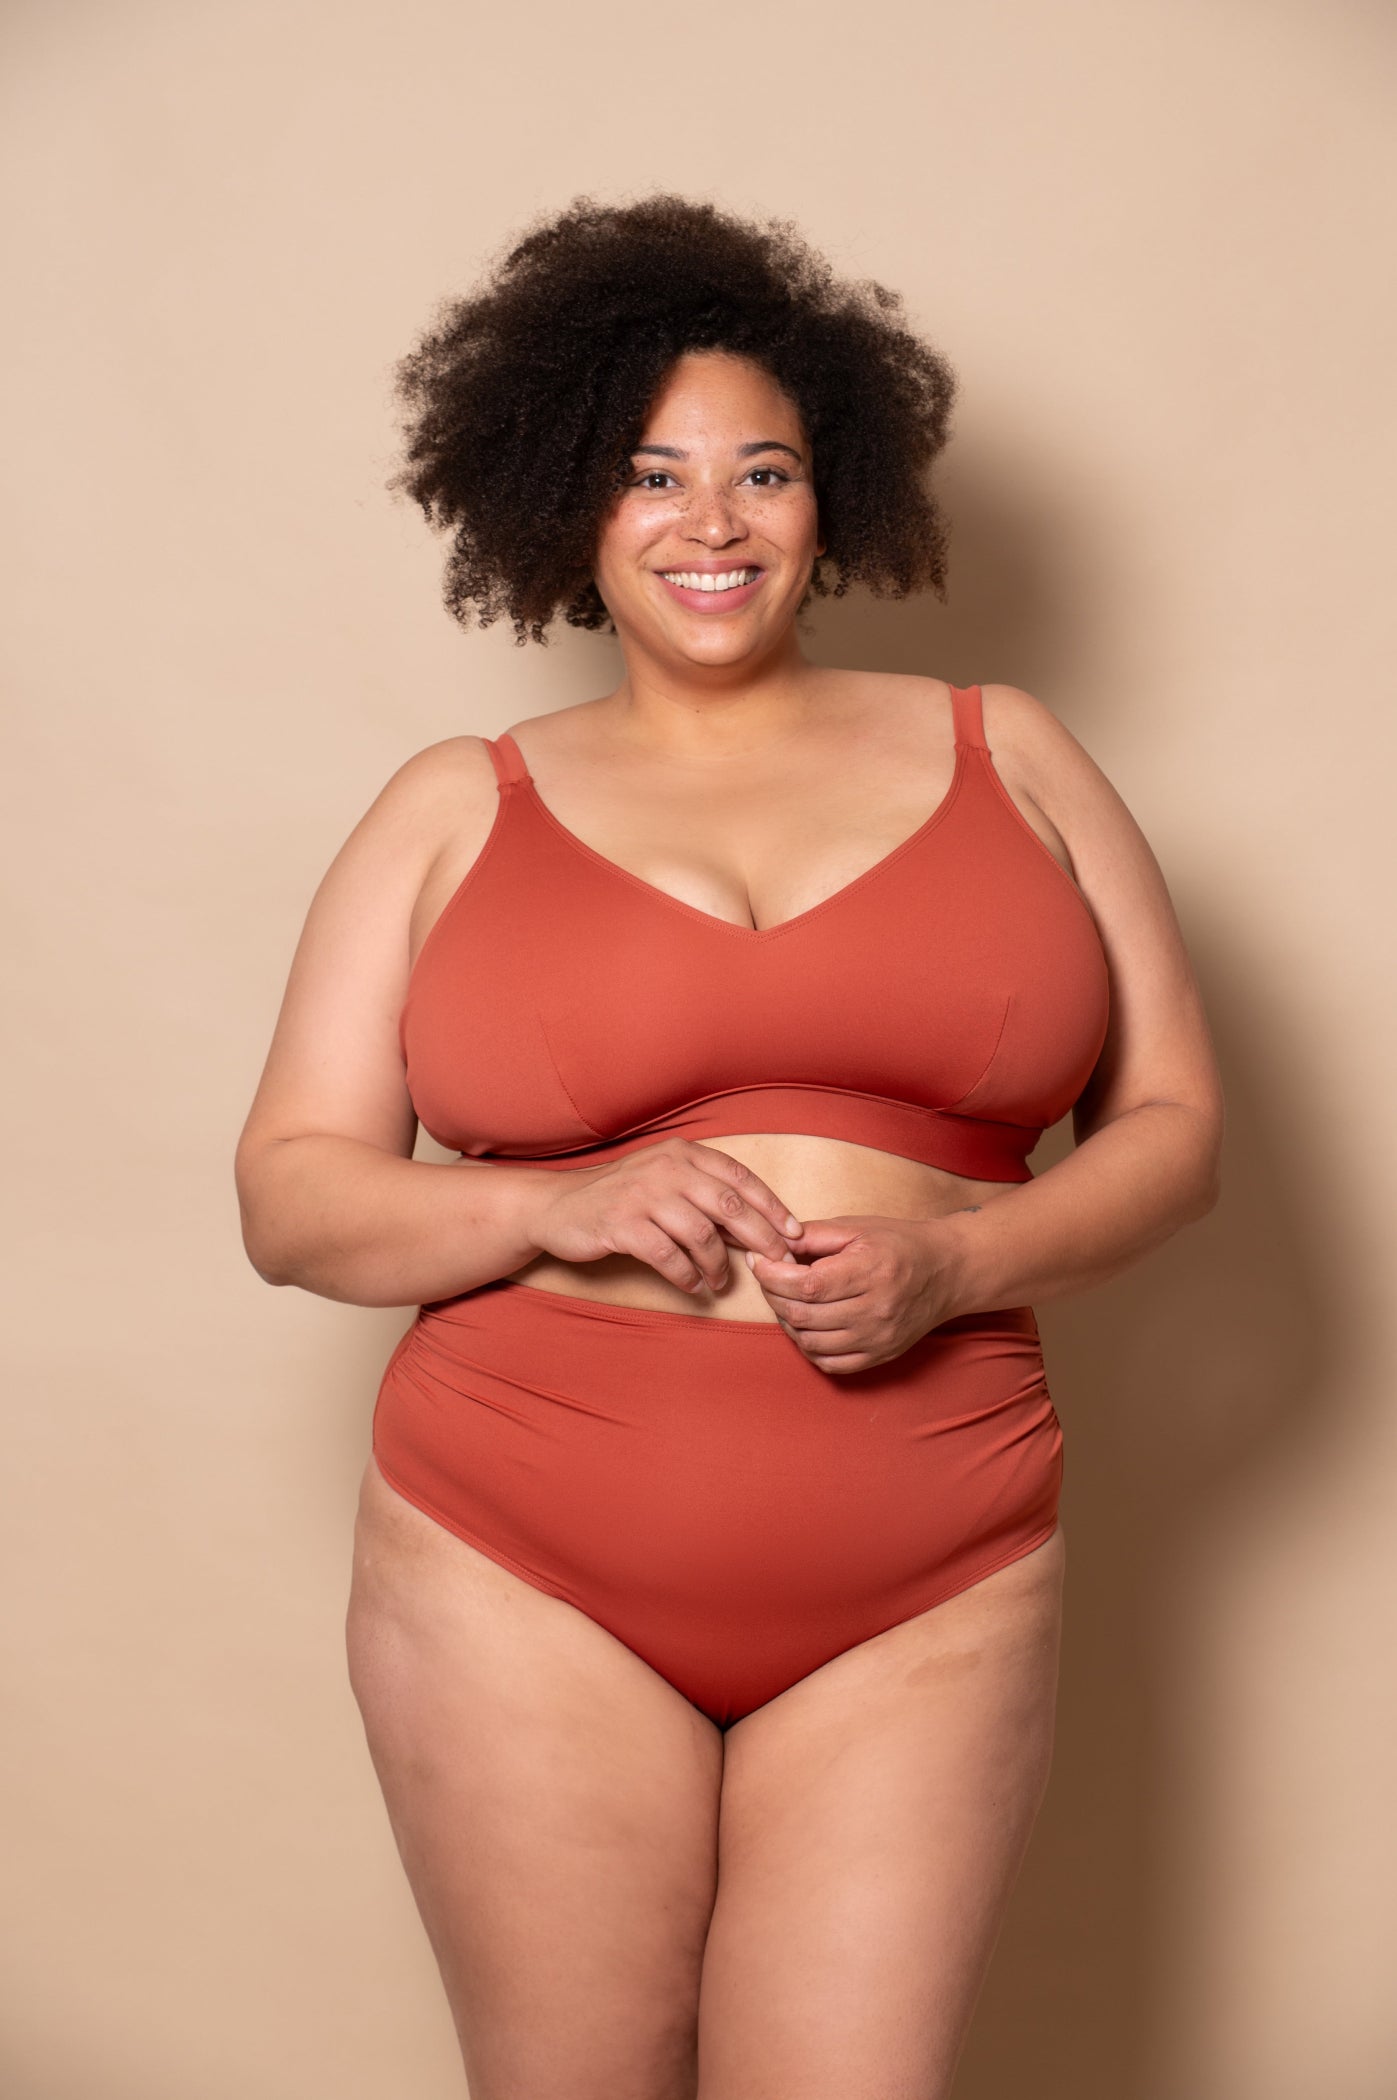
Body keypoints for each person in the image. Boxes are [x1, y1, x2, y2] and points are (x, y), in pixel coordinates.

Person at [235, 195, 1223, 2100]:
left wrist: (958, 1262)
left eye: (761, 472)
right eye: (649, 475)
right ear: (562, 507)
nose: (711, 522)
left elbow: (1173, 1136)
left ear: (830, 493)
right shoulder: (453, 807)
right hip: (517, 1555)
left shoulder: (1006, 749)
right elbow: (291, 1195)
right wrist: (558, 1200)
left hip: (931, 1558)